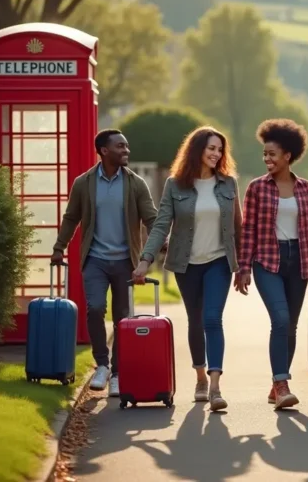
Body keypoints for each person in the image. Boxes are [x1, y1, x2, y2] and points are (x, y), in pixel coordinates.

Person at [133, 126, 242, 412]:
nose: (216, 154)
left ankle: (216, 386)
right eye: (211, 148)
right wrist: (145, 260)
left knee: (212, 319)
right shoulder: (175, 185)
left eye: (220, 149)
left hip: (219, 262)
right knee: (195, 321)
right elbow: (161, 224)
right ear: (196, 150)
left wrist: (244, 266)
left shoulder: (228, 184)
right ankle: (199, 378)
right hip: (186, 264)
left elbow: (238, 227)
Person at [51, 129, 158, 397]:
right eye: (120, 146)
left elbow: (152, 219)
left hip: (126, 261)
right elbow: (71, 218)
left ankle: (118, 375)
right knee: (96, 308)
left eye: (127, 146)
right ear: (104, 150)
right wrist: (58, 248)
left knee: (122, 318)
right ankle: (102, 365)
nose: (126, 151)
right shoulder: (84, 183)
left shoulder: (136, 184)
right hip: (95, 259)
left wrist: (155, 247)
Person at [235, 118, 308, 411]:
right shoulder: (257, 188)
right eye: (264, 154)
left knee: (292, 327)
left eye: (272, 154)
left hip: (297, 260)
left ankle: (276, 386)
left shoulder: (306, 189)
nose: (267, 159)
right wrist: (244, 267)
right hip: (267, 261)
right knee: (281, 320)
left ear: (288, 155)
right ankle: (282, 383)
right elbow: (248, 230)